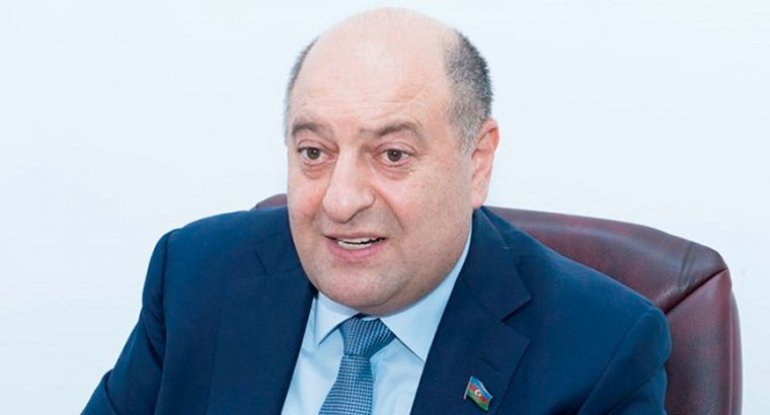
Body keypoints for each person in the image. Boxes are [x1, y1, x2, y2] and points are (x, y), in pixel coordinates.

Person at [83, 8, 671, 414]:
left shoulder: (599, 351)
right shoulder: (195, 276)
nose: (341, 201)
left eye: (392, 155)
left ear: (477, 161)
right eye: (314, 153)